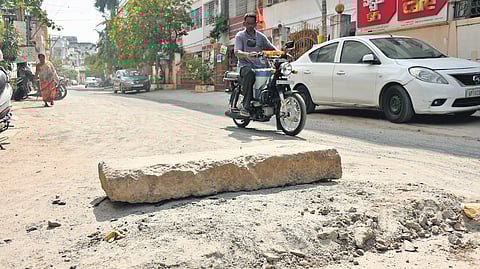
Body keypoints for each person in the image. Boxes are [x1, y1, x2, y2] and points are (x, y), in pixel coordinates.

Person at [234, 13, 279, 117]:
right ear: (244, 23)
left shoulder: (261, 36)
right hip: (244, 66)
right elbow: (237, 52)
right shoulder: (240, 36)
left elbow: (271, 48)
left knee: (276, 74)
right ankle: (245, 106)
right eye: (248, 23)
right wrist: (248, 54)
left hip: (261, 67)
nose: (250, 26)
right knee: (250, 73)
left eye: (252, 23)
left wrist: (281, 52)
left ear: (256, 24)